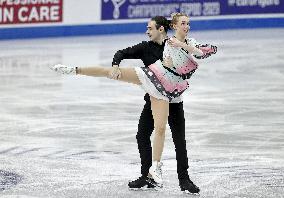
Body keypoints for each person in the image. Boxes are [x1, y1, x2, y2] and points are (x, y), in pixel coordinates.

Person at [51, 13, 217, 194]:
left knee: (178, 138)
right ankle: (75, 70)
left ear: (162, 29)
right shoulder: (164, 45)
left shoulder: (186, 42)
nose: (187, 26)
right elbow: (167, 60)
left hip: (174, 93)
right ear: (174, 26)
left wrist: (184, 46)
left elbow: (207, 51)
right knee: (146, 127)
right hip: (155, 82)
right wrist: (116, 64)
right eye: (183, 23)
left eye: (188, 23)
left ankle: (182, 180)